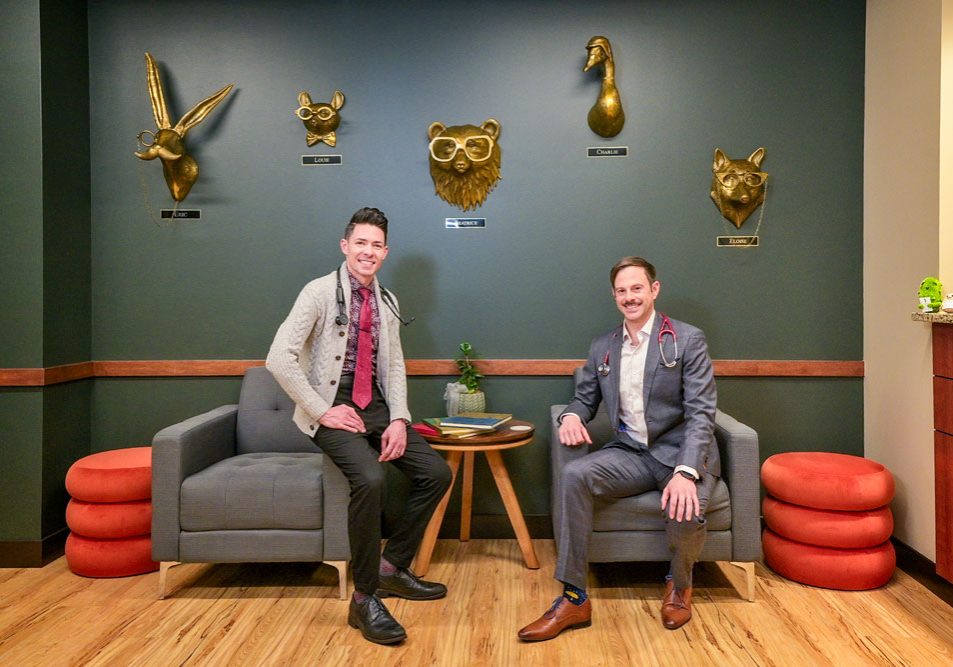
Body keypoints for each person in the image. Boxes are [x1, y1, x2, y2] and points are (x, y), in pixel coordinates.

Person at [266, 207, 452, 645]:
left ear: (385, 253)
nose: (368, 252)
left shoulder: (387, 300)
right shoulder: (316, 293)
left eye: (377, 245)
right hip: (332, 405)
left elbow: (395, 366)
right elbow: (279, 358)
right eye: (361, 243)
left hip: (378, 407)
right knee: (370, 478)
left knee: (436, 473)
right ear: (345, 246)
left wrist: (400, 418)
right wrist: (321, 410)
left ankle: (391, 568)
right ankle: (364, 597)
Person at [518, 256, 719, 642]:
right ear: (614, 296)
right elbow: (584, 399)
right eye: (622, 291)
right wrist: (572, 417)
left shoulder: (687, 339)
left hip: (680, 454)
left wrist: (686, 472)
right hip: (632, 453)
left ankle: (679, 584)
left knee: (684, 508)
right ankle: (574, 598)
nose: (630, 297)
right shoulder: (603, 347)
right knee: (575, 474)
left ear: (654, 290)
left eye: (637, 288)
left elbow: (701, 414)